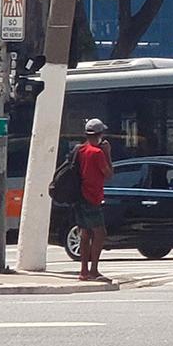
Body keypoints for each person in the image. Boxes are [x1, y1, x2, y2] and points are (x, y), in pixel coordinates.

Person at [75, 118, 113, 282]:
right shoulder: (97, 153)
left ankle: (83, 270)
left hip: (79, 196)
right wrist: (108, 153)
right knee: (100, 233)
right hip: (92, 197)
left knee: (85, 233)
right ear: (99, 134)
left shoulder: (80, 150)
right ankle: (94, 270)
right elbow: (109, 174)